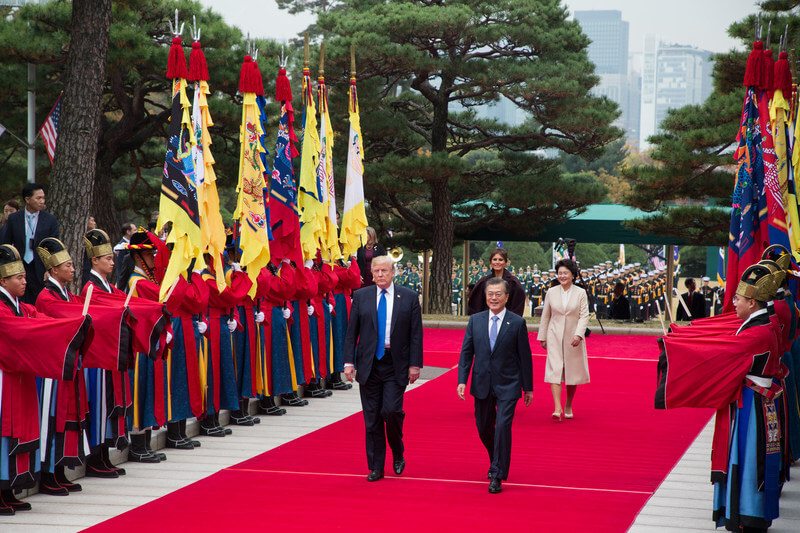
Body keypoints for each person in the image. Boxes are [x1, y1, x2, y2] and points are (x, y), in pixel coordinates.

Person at [344, 255, 423, 482]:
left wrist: (414, 364)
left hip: (395, 364)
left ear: (392, 272)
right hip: (369, 364)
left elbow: (416, 334)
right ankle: (376, 466)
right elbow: (352, 332)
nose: (379, 275)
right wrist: (349, 363)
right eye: (376, 271)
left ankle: (397, 450)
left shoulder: (408, 298)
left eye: (384, 271)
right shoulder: (361, 296)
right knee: (372, 418)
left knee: (390, 411)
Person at [457, 277, 533, 494]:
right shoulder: (476, 320)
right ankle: (495, 457)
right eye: (490, 294)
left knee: (502, 427)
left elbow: (524, 357)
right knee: (483, 427)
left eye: (498, 294)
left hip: (508, 383)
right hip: (481, 382)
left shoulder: (517, 322)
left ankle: (498, 473)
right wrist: (462, 379)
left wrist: (528, 387)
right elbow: (466, 352)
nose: (493, 298)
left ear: (507, 297)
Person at [537, 258, 590, 420]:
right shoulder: (551, 292)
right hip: (554, 336)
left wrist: (579, 334)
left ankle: (568, 403)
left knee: (571, 372)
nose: (562, 276)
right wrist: (543, 336)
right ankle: (557, 407)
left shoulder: (580, 293)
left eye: (565, 273)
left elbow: (584, 316)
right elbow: (545, 316)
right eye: (559, 273)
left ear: (573, 275)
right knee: (554, 370)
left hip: (573, 339)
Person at [0, 183, 59, 303]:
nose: (42, 201)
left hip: (41, 270)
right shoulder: (14, 219)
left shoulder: (50, 220)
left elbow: (54, 247)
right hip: (19, 268)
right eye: (38, 198)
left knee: (39, 303)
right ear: (27, 199)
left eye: (43, 197)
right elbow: (5, 245)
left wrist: (50, 269)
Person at [467, 248, 526, 316]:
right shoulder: (483, 282)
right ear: (491, 262)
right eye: (494, 259)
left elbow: (518, 306)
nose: (497, 262)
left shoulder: (513, 283)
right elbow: (475, 305)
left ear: (505, 263)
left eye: (500, 260)